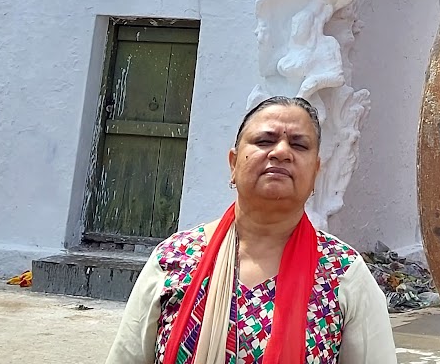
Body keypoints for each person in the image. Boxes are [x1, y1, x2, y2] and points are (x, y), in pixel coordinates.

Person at [106, 95, 396, 364]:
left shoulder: (343, 272)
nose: (281, 152)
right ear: (233, 164)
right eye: (264, 140)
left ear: (315, 172)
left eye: (298, 145)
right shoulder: (175, 259)